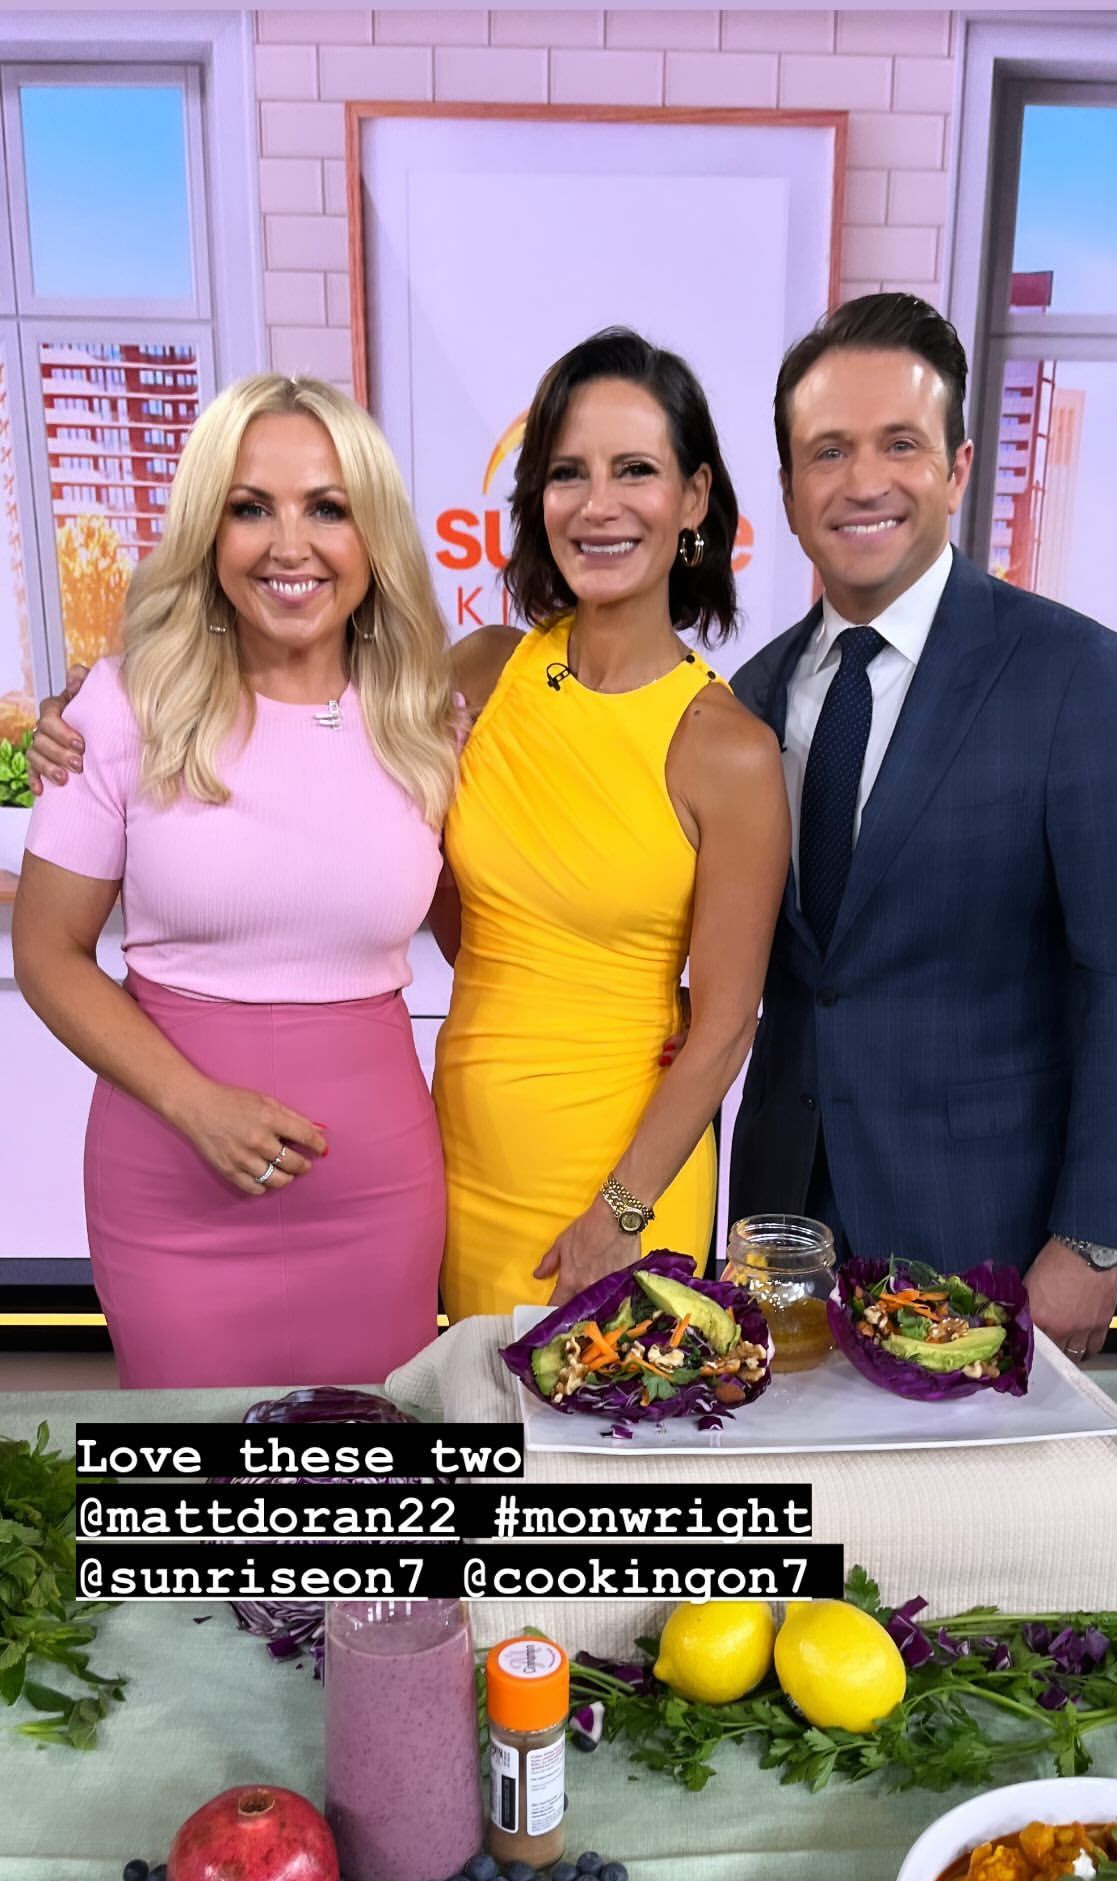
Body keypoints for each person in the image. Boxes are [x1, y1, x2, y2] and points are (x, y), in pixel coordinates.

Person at [728, 292, 1117, 1363]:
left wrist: (1093, 1238)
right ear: (788, 490)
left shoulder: (1080, 676)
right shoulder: (750, 698)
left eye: (901, 444)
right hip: (783, 1237)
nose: (863, 481)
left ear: (960, 467)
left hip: (990, 1240)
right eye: (828, 451)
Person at [15, 374, 456, 1388]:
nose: (289, 545)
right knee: (193, 1475)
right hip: (172, 1192)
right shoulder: (124, 708)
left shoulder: (428, 721)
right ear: (208, 533)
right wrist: (197, 1106)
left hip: (376, 1201)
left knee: (369, 1466)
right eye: (251, 507)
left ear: (374, 535)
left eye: (328, 508)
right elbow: (46, 953)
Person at [433, 327, 789, 1314]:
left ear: (694, 498)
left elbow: (725, 1026)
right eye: (568, 473)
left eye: (635, 469)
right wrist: (112, 705)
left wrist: (618, 1214)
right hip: (462, 1161)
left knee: (615, 1414)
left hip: (621, 1189)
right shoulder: (480, 672)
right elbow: (464, 924)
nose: (598, 505)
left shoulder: (729, 749)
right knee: (469, 1407)